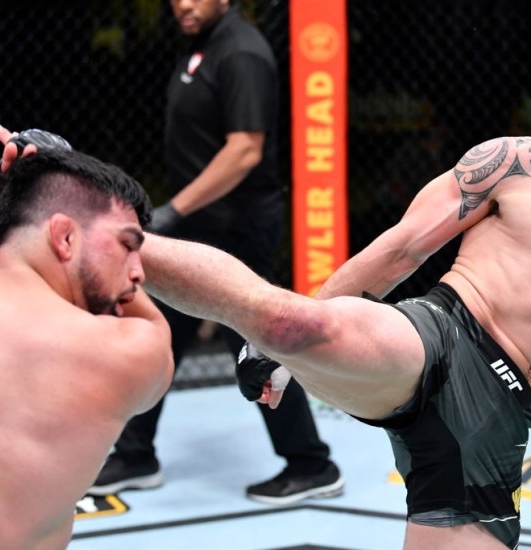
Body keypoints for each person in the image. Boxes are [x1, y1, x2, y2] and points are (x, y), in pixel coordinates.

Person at [0, 29, 531, 550]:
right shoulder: (511, 164)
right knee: (292, 323)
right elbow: (395, 251)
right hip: (441, 338)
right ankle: (72, 206)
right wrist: (275, 346)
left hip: (495, 428)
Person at [86, 0, 343, 503]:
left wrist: (173, 210)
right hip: (200, 229)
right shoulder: (200, 49)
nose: (182, 3)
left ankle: (312, 464)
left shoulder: (241, 51)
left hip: (234, 230)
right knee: (157, 329)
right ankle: (137, 452)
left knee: (257, 340)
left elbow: (244, 148)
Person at [0, 128, 174, 549]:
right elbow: (154, 339)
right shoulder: (125, 352)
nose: (138, 271)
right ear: (64, 237)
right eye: (128, 245)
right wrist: (6, 215)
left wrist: (8, 218)